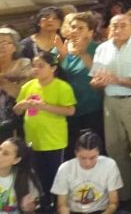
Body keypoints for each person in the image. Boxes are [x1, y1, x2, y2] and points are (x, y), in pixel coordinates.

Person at [90, 14, 131, 208]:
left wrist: (119, 80)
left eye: (122, 25)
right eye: (114, 25)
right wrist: (99, 82)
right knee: (115, 149)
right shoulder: (103, 48)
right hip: (110, 102)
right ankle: (124, 195)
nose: (118, 29)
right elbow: (94, 81)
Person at [14, 52, 76, 210]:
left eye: (41, 66)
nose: (36, 69)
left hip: (54, 141)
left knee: (55, 177)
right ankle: (42, 205)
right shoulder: (28, 86)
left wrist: (44, 106)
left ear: (53, 68)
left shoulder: (62, 87)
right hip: (33, 140)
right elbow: (17, 111)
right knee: (36, 176)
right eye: (34, 66)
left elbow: (70, 111)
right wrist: (20, 106)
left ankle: (57, 205)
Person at [62, 12, 104, 157]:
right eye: (73, 27)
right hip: (69, 107)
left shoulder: (98, 49)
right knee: (72, 148)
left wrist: (82, 54)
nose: (75, 31)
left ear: (91, 32)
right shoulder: (62, 49)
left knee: (93, 146)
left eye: (81, 28)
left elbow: (99, 74)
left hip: (92, 107)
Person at [51, 130, 122, 214]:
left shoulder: (109, 165)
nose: (88, 163)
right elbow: (62, 204)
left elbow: (113, 203)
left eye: (92, 158)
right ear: (76, 153)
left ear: (99, 153)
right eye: (83, 158)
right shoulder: (65, 168)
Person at [0, 27, 32, 141]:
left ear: (14, 47)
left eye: (5, 42)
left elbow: (23, 94)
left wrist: (4, 82)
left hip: (15, 121)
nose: (1, 46)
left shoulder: (23, 64)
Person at [0, 138, 41, 214]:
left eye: (5, 153)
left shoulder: (25, 176)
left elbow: (33, 207)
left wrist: (29, 208)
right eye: (0, 149)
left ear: (16, 160)